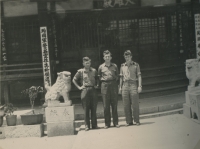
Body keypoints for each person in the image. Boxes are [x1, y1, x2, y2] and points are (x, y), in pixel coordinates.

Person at [73, 57, 99, 131]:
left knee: (94, 108)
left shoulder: (94, 70)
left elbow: (97, 78)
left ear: (90, 63)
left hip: (93, 90)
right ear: (83, 63)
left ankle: (94, 125)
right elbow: (74, 80)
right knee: (86, 109)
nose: (88, 64)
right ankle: (87, 125)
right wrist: (79, 87)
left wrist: (97, 85)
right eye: (86, 63)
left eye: (89, 63)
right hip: (85, 90)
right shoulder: (80, 71)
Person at [119, 50, 142, 126]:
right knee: (126, 104)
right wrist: (120, 87)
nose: (127, 58)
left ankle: (137, 120)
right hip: (125, 85)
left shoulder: (136, 65)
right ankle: (129, 121)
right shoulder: (122, 66)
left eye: (128, 56)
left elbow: (139, 76)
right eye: (126, 57)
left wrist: (139, 86)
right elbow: (121, 77)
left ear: (131, 57)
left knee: (135, 103)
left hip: (133, 84)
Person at [98, 50, 120, 129]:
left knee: (114, 104)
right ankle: (107, 123)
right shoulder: (101, 67)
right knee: (106, 105)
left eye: (108, 56)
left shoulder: (114, 66)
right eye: (106, 56)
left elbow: (117, 75)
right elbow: (99, 76)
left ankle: (116, 123)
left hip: (113, 85)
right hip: (105, 86)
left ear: (111, 57)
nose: (107, 58)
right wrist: (104, 80)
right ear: (104, 58)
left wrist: (113, 80)